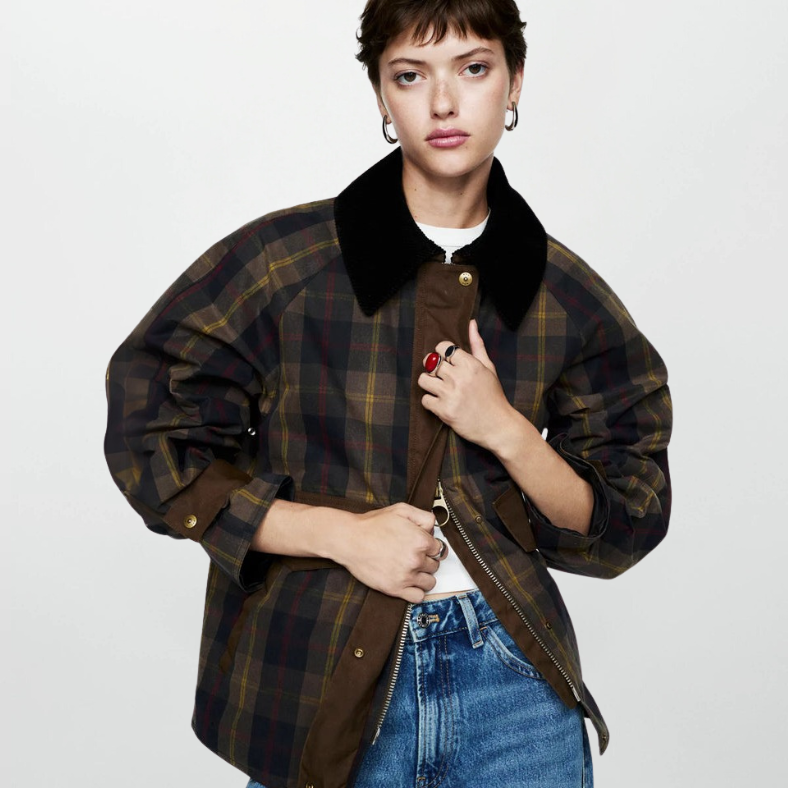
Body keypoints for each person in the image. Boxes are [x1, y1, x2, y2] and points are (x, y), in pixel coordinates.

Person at [104, 1, 672, 786]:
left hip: (513, 687)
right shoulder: (284, 265)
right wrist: (337, 534)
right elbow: (152, 434)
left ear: (514, 83)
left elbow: (626, 515)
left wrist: (506, 430)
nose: (444, 102)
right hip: (319, 682)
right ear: (380, 93)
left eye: (474, 69)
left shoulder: (565, 295)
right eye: (411, 75)